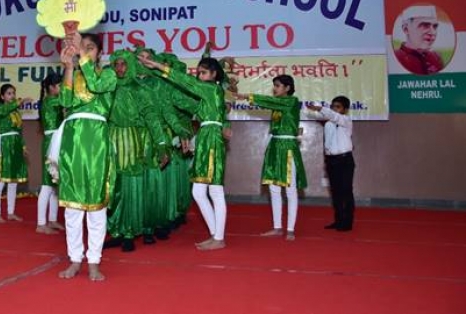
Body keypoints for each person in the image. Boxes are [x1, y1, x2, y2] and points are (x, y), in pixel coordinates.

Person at [139, 53, 228, 251]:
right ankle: (215, 234)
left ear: (214, 74)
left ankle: (219, 238)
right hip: (205, 137)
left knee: (215, 190)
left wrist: (158, 66)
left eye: (203, 73)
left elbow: (185, 81)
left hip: (212, 139)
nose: (199, 76)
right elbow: (185, 101)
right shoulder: (206, 95)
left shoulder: (212, 89)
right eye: (199, 73)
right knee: (198, 192)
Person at [50, 32, 116, 281]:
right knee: (73, 205)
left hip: (97, 141)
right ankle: (75, 259)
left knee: (96, 205)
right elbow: (65, 101)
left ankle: (94, 262)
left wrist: (81, 56)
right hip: (73, 140)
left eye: (90, 48)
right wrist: (68, 67)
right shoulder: (76, 74)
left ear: (100, 53)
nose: (85, 51)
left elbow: (96, 86)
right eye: (82, 47)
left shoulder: (108, 75)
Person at [105, 49, 169, 252]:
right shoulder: (107, 87)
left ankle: (129, 234)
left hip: (131, 141)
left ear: (130, 65)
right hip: (109, 139)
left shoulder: (139, 89)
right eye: (116, 64)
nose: (119, 68)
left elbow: (152, 118)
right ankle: (116, 230)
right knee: (112, 187)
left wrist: (161, 146)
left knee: (131, 188)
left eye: (123, 64)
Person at [235, 75, 307, 241]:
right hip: (274, 146)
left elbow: (268, 101)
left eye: (278, 85)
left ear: (287, 88)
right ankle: (277, 227)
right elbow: (270, 103)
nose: (275, 89)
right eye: (274, 85)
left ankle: (290, 229)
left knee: (290, 189)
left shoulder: (291, 101)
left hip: (287, 147)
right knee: (273, 189)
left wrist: (247, 96)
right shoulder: (277, 104)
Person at [307, 96, 355, 231]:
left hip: (345, 160)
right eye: (333, 106)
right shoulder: (328, 124)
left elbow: (333, 116)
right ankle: (338, 220)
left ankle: (347, 222)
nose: (334, 109)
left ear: (345, 110)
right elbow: (327, 142)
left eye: (338, 107)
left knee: (346, 191)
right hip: (332, 160)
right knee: (335, 192)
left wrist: (320, 108)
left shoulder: (346, 120)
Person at [0, 84, 30, 223]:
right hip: (4, 145)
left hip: (16, 145)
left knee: (13, 181)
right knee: (1, 179)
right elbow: (5, 110)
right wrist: (19, 102)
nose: (12, 95)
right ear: (2, 96)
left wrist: (23, 147)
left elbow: (19, 131)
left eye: (13, 93)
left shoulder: (16, 112)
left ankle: (11, 212)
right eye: (9, 93)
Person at [36, 72, 65, 234]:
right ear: (51, 88)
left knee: (55, 183)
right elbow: (68, 100)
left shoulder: (53, 100)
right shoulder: (50, 101)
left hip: (57, 142)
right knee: (47, 184)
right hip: (51, 143)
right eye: (60, 86)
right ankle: (41, 223)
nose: (63, 88)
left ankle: (52, 220)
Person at [394, 5, 444, 75]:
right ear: (406, 29)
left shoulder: (436, 57)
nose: (433, 32)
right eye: (425, 25)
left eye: (435, 26)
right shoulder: (396, 57)